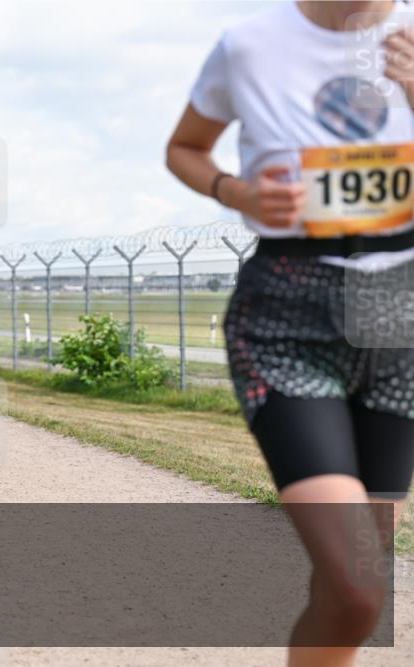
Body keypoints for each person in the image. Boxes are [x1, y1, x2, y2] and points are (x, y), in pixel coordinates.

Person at [166, 2, 414, 664]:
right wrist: (234, 190)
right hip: (287, 314)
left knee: (350, 580)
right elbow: (184, 148)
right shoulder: (249, 43)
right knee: (360, 588)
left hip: (398, 313)